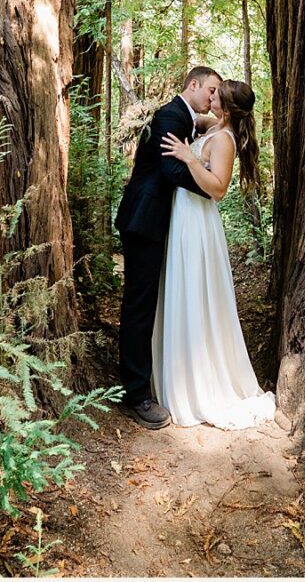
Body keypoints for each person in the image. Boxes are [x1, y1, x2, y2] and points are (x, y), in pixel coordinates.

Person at [152, 78, 276, 429]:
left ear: (227, 108)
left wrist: (189, 158)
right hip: (184, 214)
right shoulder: (215, 126)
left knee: (194, 290)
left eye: (216, 95)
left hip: (198, 219)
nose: (211, 96)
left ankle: (199, 386)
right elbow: (195, 116)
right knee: (182, 287)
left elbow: (218, 189)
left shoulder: (223, 140)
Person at [113, 66, 221, 428]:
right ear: (193, 85)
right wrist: (212, 184)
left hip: (153, 221)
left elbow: (201, 124)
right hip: (143, 221)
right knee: (140, 305)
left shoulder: (183, 116)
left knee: (148, 302)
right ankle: (136, 394)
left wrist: (214, 124)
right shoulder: (171, 116)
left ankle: (146, 378)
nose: (212, 98)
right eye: (210, 90)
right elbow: (171, 172)